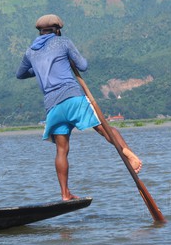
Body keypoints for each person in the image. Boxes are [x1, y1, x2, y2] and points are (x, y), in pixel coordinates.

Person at [16, 14, 142, 200]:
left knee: (61, 149)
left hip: (52, 106)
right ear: (57, 30)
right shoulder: (63, 43)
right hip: (72, 97)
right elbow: (83, 65)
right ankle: (127, 152)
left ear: (40, 32)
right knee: (103, 128)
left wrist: (39, 67)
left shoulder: (30, 52)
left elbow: (20, 74)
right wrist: (68, 60)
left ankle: (65, 194)